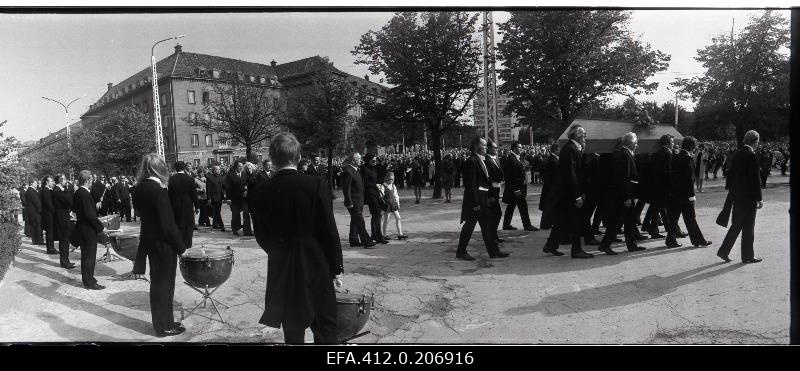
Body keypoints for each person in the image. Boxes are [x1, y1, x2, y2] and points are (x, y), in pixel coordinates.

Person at [250, 132, 343, 344]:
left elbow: (261, 235)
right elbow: (329, 230)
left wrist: (279, 252)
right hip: (315, 263)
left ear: (272, 159)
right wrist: (336, 267)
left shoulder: (260, 192)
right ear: (298, 157)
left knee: (292, 330)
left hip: (281, 266)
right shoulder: (316, 185)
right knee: (326, 327)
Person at [132, 154, 187, 336]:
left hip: (150, 242)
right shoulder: (158, 190)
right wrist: (181, 248)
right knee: (165, 285)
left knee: (158, 284)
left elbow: (145, 218)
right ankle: (164, 326)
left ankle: (165, 321)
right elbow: (168, 225)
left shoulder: (139, 189)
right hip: (164, 245)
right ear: (159, 168)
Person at [542, 125, 594, 259]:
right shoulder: (570, 149)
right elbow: (571, 175)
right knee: (576, 222)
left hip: (567, 193)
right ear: (576, 135)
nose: (585, 136)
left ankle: (551, 245)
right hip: (568, 194)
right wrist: (577, 196)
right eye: (583, 134)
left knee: (561, 222)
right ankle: (576, 250)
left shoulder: (572, 148)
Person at [456, 137, 507, 260]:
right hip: (477, 201)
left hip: (483, 199)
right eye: (483, 145)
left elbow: (485, 182)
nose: (486, 148)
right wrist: (475, 202)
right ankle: (461, 252)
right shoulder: (472, 161)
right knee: (469, 227)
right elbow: (471, 184)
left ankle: (493, 251)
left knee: (487, 227)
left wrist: (488, 197)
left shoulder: (481, 160)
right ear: (476, 146)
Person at [717, 131, 763, 264]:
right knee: (749, 227)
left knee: (736, 225)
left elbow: (730, 175)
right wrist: (759, 198)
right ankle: (747, 256)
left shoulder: (737, 154)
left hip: (737, 196)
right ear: (755, 141)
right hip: (749, 197)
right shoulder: (752, 156)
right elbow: (755, 179)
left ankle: (724, 251)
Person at [596, 133, 646, 255]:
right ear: (629, 143)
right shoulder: (624, 155)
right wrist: (627, 197)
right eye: (635, 143)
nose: (636, 145)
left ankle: (631, 245)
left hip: (626, 194)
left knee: (629, 221)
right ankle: (604, 245)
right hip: (624, 196)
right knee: (616, 221)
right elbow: (624, 178)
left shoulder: (626, 154)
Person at [669, 136, 713, 248]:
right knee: (690, 218)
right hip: (685, 195)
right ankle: (698, 240)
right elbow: (689, 180)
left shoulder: (677, 156)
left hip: (675, 193)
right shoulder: (687, 159)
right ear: (692, 146)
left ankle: (671, 240)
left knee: (675, 219)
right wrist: (691, 195)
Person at [70, 170, 105, 290]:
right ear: (87, 180)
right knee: (89, 257)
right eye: (91, 180)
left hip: (83, 227)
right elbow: (90, 215)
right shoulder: (84, 194)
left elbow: (74, 208)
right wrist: (100, 227)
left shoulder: (78, 192)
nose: (92, 182)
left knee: (87, 256)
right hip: (88, 229)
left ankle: (89, 279)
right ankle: (89, 281)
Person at [648, 135, 681, 248]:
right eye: (671, 142)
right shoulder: (668, 154)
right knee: (670, 214)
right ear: (667, 143)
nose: (673, 144)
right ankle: (672, 237)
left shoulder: (656, 154)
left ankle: (654, 230)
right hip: (665, 189)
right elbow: (669, 173)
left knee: (656, 210)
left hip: (655, 187)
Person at [342, 152, 375, 249]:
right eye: (359, 158)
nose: (361, 160)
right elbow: (346, 188)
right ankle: (367, 241)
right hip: (353, 202)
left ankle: (353, 240)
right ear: (353, 160)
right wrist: (349, 202)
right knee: (360, 221)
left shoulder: (355, 170)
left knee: (355, 221)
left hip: (359, 201)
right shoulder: (348, 171)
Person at [502, 141, 538, 232]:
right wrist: (516, 189)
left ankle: (506, 224)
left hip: (517, 188)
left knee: (511, 206)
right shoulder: (511, 159)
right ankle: (527, 225)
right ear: (514, 148)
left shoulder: (515, 158)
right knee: (523, 207)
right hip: (517, 189)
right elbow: (511, 176)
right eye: (519, 147)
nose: (521, 149)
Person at [168, 161, 199, 250]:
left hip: (175, 205)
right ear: (184, 168)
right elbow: (194, 194)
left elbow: (169, 194)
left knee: (178, 224)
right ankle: (188, 243)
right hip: (188, 205)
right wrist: (197, 206)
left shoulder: (171, 179)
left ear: (175, 168)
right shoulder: (189, 179)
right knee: (189, 224)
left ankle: (179, 244)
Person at [361, 153, 388, 244]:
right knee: (376, 214)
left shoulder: (372, 168)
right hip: (370, 194)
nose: (375, 162)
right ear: (368, 160)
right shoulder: (364, 169)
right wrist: (375, 185)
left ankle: (375, 235)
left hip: (375, 193)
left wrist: (381, 183)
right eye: (373, 160)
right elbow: (364, 183)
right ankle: (378, 236)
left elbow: (375, 179)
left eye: (376, 160)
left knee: (377, 215)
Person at [484, 140, 505, 245]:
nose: (496, 150)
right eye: (494, 148)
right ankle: (491, 236)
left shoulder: (493, 159)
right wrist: (490, 195)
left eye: (496, 148)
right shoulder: (487, 160)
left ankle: (493, 236)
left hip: (496, 190)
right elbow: (488, 179)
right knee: (495, 214)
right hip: (492, 192)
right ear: (489, 148)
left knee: (496, 214)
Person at [52, 175, 75, 269]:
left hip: (63, 216)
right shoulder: (58, 190)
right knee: (64, 240)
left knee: (65, 240)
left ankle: (65, 260)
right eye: (65, 179)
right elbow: (68, 200)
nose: (66, 181)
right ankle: (65, 262)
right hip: (61, 217)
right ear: (61, 181)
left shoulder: (59, 190)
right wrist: (69, 189)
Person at [378, 172, 407, 240]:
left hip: (393, 204)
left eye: (392, 179)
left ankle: (400, 234)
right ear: (387, 178)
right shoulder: (383, 186)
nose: (391, 180)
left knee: (398, 218)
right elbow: (381, 195)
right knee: (386, 220)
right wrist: (380, 191)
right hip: (387, 205)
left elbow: (396, 196)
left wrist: (398, 204)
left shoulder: (393, 186)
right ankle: (384, 235)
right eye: (390, 179)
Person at [226, 161, 252, 236]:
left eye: (241, 166)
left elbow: (248, 183)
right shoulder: (230, 175)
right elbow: (228, 188)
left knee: (246, 213)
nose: (240, 168)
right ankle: (235, 229)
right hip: (234, 198)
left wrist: (246, 189)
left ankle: (247, 230)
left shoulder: (244, 174)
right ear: (235, 167)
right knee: (235, 214)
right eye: (239, 166)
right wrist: (228, 198)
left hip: (243, 198)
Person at [539, 143, 559, 229]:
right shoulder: (553, 160)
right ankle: (545, 224)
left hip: (549, 186)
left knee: (549, 206)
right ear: (555, 150)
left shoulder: (551, 159)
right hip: (551, 187)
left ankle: (547, 223)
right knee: (548, 206)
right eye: (559, 149)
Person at [40, 176, 58, 254]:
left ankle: (51, 248)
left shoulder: (47, 190)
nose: (52, 182)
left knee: (50, 232)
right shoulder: (46, 190)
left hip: (48, 214)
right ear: (47, 182)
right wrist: (55, 211)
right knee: (50, 232)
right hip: (48, 214)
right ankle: (50, 249)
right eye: (51, 181)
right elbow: (48, 204)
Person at [206, 165, 226, 231]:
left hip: (220, 197)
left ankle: (215, 224)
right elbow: (208, 189)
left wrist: (224, 194)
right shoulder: (210, 178)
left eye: (219, 169)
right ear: (213, 170)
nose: (218, 170)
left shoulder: (220, 177)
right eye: (217, 169)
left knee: (217, 211)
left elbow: (222, 186)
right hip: (213, 197)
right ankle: (221, 225)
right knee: (217, 212)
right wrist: (209, 198)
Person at [25, 180, 44, 245]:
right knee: (38, 226)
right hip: (35, 212)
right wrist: (40, 210)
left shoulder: (29, 190)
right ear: (31, 183)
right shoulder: (31, 191)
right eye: (35, 183)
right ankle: (39, 241)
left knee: (33, 226)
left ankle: (35, 241)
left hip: (32, 211)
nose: (37, 184)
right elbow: (36, 202)